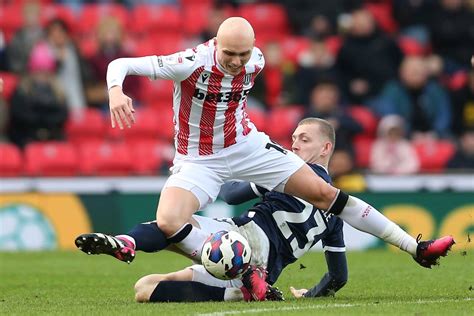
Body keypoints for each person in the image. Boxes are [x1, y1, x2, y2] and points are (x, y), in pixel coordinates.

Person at [103, 17, 454, 291]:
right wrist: (116, 92)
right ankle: (245, 274)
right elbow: (120, 63)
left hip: (246, 145)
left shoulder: (256, 60)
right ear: (216, 45)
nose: (238, 62)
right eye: (230, 54)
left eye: (243, 54)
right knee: (168, 220)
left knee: (325, 193)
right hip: (198, 158)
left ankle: (416, 248)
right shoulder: (191, 62)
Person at [77, 118, 455, 303]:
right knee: (144, 288)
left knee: (171, 225)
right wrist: (311, 296)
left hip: (239, 240)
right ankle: (243, 285)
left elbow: (236, 192)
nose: (293, 144)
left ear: (325, 149)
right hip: (245, 255)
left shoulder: (283, 176)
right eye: (292, 139)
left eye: (303, 140)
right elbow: (338, 277)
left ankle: (128, 241)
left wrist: (255, 168)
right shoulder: (334, 214)